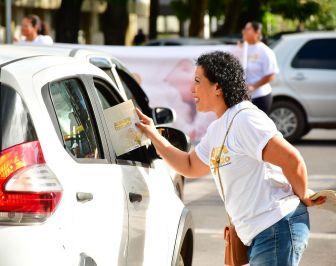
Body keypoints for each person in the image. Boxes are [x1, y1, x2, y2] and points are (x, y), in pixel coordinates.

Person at [136, 51, 326, 265]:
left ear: (217, 86)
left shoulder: (245, 119)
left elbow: (292, 159)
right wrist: (152, 134)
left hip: (276, 225)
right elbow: (189, 166)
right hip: (260, 232)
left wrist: (303, 194)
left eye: (198, 81)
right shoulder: (218, 127)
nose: (192, 89)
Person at [238, 21, 279, 114]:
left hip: (260, 96)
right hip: (243, 98)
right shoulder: (242, 48)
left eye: (248, 29)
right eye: (244, 29)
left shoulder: (265, 51)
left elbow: (271, 74)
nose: (244, 31)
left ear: (257, 33)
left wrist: (254, 86)